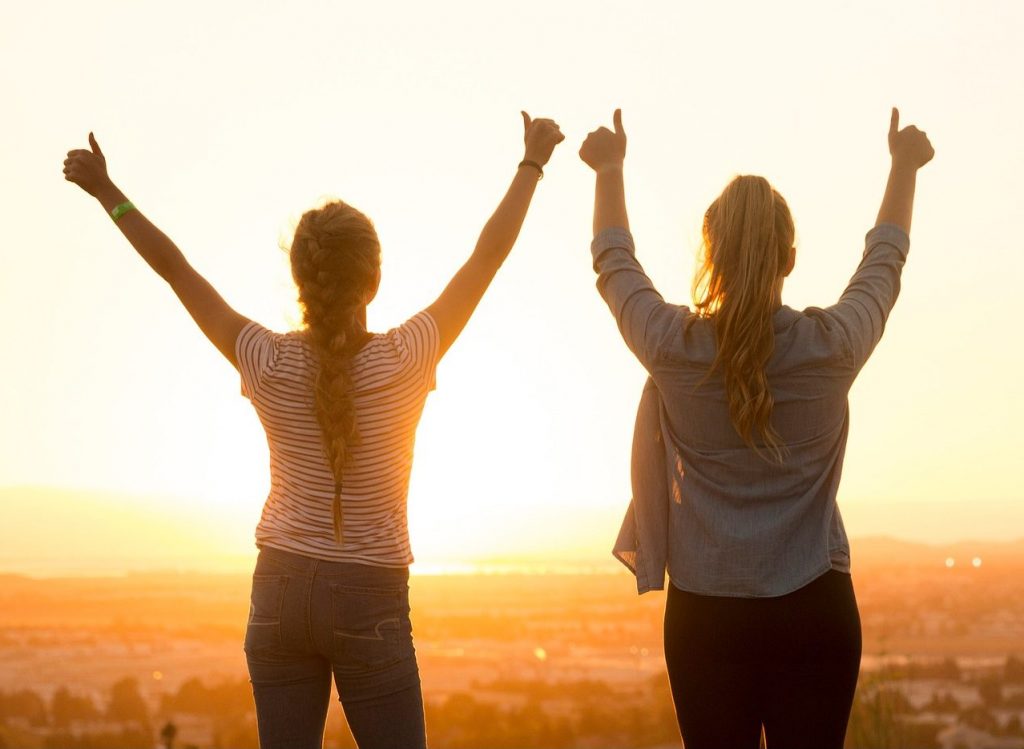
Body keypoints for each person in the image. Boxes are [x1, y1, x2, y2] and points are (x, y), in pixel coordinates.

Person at [63, 112, 564, 749]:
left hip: (278, 591)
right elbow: (486, 257)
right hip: (370, 595)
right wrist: (531, 163)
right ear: (374, 280)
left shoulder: (265, 360)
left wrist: (108, 191)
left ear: (300, 279)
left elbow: (177, 271)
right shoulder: (408, 358)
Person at [579, 108, 933, 749]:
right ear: (790, 258)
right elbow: (885, 264)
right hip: (815, 611)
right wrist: (904, 165)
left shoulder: (673, 348)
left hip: (705, 620)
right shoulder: (832, 348)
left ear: (709, 255)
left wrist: (608, 169)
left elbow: (614, 266)